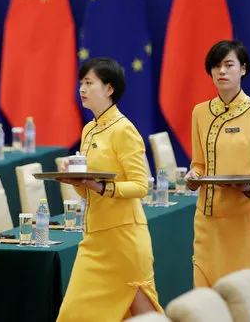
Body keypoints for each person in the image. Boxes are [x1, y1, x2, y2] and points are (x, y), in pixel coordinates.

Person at [56, 57, 163, 321]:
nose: (82, 88)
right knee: (73, 314)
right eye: (81, 82)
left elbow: (141, 186)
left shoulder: (124, 130)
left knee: (140, 315)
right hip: (94, 240)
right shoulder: (89, 130)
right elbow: (90, 190)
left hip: (124, 239)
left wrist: (102, 187)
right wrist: (78, 183)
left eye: (89, 83)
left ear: (109, 89)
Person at [184, 39, 250, 288]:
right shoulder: (199, 112)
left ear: (243, 69)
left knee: (243, 298)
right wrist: (194, 176)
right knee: (205, 299)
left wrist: (248, 187)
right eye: (216, 66)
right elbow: (199, 164)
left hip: (243, 222)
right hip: (206, 221)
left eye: (229, 65)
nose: (222, 71)